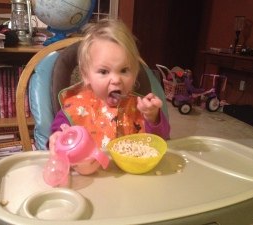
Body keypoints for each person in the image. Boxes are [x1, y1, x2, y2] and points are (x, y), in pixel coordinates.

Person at [48, 19, 170, 174]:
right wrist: (57, 138)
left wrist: (153, 117)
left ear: (135, 72)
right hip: (92, 178)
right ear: (86, 75)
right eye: (104, 72)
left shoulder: (140, 107)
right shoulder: (75, 107)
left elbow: (162, 141)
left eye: (124, 70)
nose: (116, 80)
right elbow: (59, 136)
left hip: (133, 179)